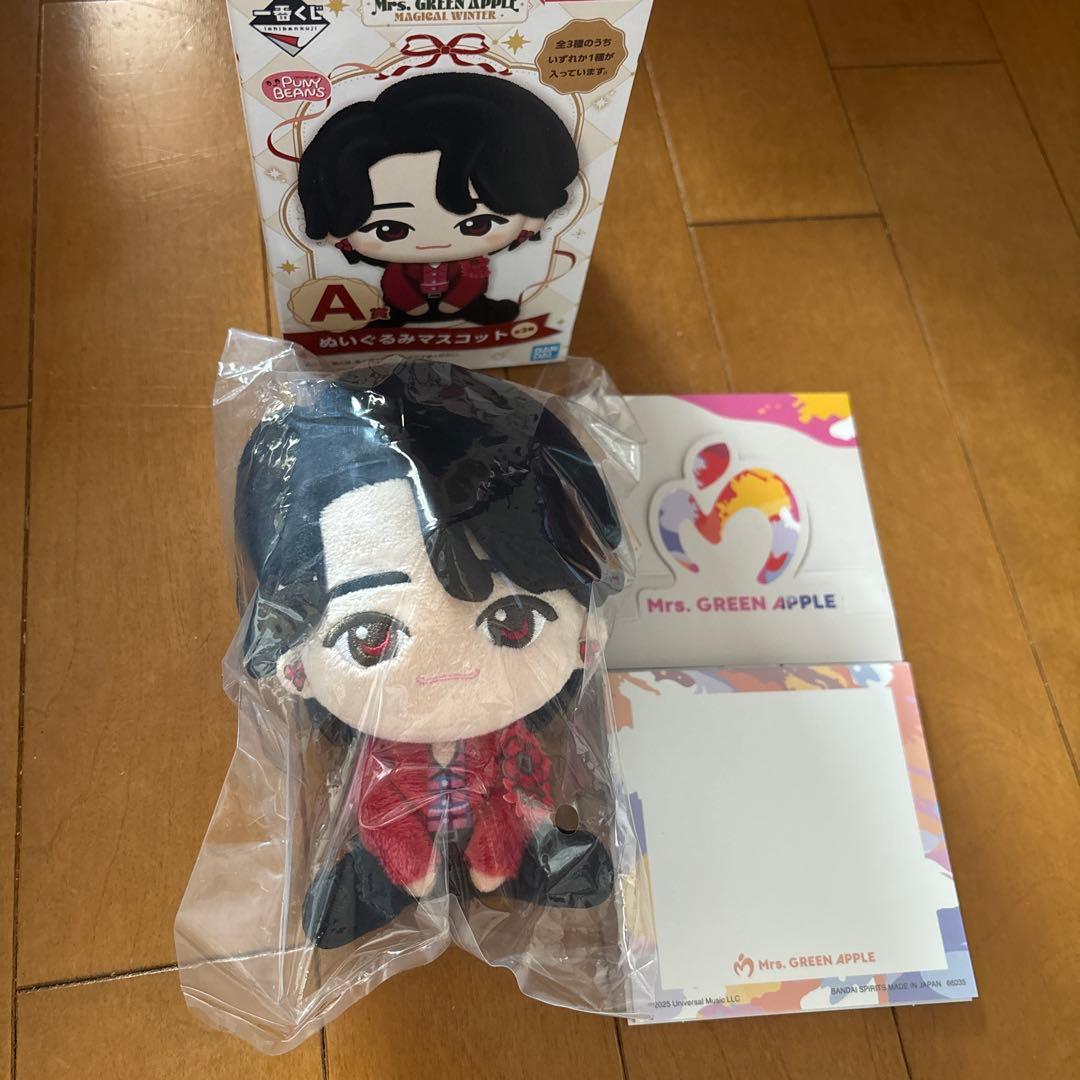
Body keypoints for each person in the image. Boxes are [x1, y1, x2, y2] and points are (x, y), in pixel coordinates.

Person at [236, 362, 625, 947]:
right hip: (405, 824)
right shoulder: (379, 752)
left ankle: (522, 862)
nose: (451, 673)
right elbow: (378, 798)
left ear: (584, 634)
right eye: (370, 637)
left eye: (512, 620)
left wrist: (503, 836)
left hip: (492, 811)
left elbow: (522, 785)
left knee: (517, 815)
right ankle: (384, 878)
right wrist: (407, 852)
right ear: (295, 665)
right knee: (386, 833)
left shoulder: (504, 737)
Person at [298, 73, 579, 327]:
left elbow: (472, 282)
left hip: (466, 307)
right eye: (389, 229)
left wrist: (455, 303)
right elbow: (395, 283)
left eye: (477, 225)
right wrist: (412, 305)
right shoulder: (401, 267)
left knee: (473, 294)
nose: (433, 242)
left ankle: (469, 309)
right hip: (405, 304)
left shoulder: (472, 265)